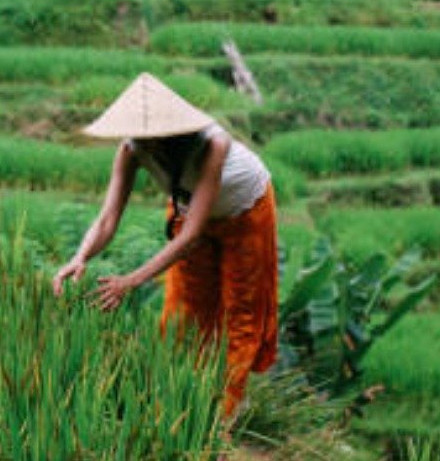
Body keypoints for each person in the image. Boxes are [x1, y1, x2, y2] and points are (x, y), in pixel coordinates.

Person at [51, 72, 278, 418]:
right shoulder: (132, 149)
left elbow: (190, 238)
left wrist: (131, 281)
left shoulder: (213, 144)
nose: (150, 144)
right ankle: (178, 405)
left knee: (240, 315)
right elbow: (108, 217)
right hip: (189, 211)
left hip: (246, 212)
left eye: (157, 137)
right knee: (183, 314)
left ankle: (221, 417)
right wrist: (79, 256)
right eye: (143, 137)